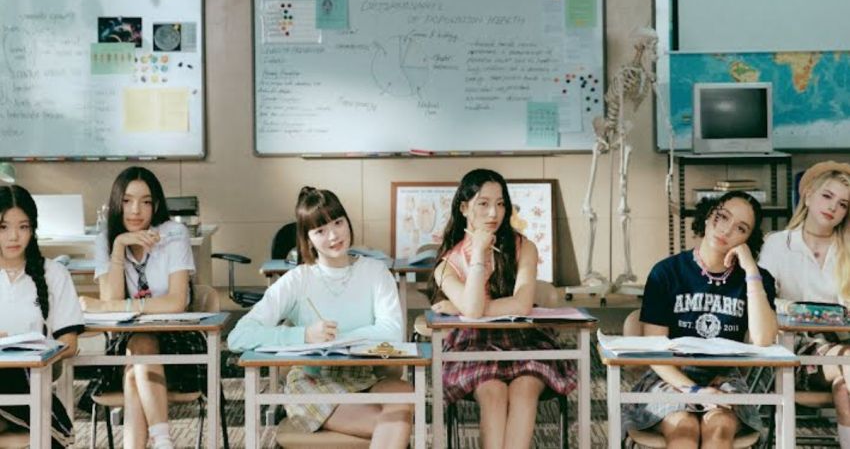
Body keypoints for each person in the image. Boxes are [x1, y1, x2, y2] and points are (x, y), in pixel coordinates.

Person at [228, 186, 412, 448]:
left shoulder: (375, 271)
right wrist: (303, 335)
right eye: (320, 230)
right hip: (313, 383)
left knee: (404, 393)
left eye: (338, 223)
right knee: (397, 421)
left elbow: (392, 331)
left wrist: (340, 339)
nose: (334, 235)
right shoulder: (297, 280)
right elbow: (239, 336)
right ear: (307, 238)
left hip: (364, 377)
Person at [429, 168, 574, 449]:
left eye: (500, 203)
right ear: (463, 208)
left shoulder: (524, 247)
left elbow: (520, 305)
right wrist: (480, 255)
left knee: (524, 390)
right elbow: (472, 312)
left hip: (524, 338)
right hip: (473, 344)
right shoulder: (448, 263)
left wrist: (465, 308)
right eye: (483, 204)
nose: (493, 213)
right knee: (493, 393)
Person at [623, 191, 777, 448]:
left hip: (726, 377)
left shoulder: (759, 279)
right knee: (683, 425)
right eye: (722, 217)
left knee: (718, 426)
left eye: (740, 228)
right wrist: (693, 390)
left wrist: (751, 270)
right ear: (707, 217)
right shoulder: (666, 272)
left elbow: (763, 340)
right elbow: (655, 351)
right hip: (669, 376)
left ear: (748, 239)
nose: (726, 230)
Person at [79, 166, 203, 449]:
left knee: (139, 353)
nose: (136, 210)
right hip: (126, 346)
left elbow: (176, 303)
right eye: (127, 201)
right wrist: (119, 246)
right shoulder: (107, 239)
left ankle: (155, 442)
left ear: (156, 205)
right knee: (137, 352)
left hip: (179, 341)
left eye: (146, 201)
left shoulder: (173, 233)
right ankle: (162, 441)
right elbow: (109, 300)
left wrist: (122, 306)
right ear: (116, 203)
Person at [759, 161, 850, 448]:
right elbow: (761, 301)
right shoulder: (778, 244)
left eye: (843, 204)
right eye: (827, 196)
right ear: (808, 196)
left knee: (845, 389)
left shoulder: (847, 248)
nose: (833, 207)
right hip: (793, 348)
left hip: (842, 352)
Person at [0, 185, 84, 448]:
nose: (14, 236)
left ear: (33, 229)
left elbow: (70, 343)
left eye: (23, 227)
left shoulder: (54, 274)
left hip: (31, 378)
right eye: (3, 227)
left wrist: (31, 346)